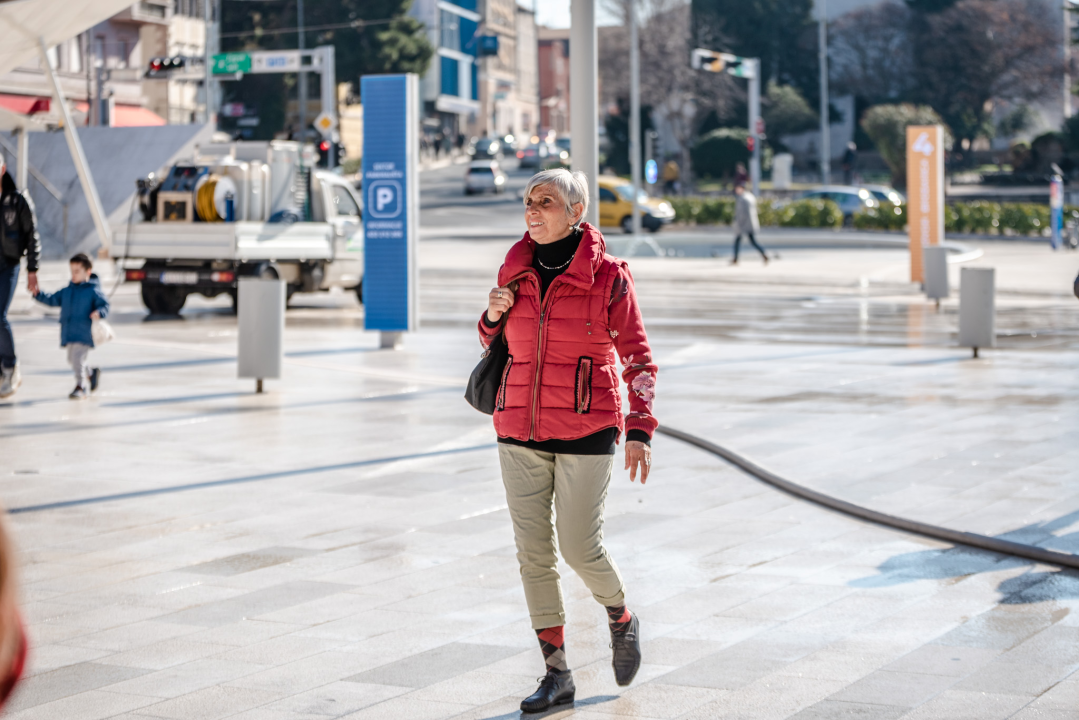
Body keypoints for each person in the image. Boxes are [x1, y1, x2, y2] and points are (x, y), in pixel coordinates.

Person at [480, 169, 657, 713]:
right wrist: (490, 316)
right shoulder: (515, 267)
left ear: (576, 211)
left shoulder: (609, 277)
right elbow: (494, 340)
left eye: (546, 202)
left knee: (580, 546)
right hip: (518, 428)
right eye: (528, 201)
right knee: (533, 556)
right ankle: (556, 675)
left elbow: (638, 357)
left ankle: (619, 615)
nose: (533, 210)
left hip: (587, 425)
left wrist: (640, 428)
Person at [33, 253, 110, 400]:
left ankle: (81, 387)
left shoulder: (93, 291)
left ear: (88, 272)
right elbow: (52, 299)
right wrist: (38, 294)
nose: (73, 275)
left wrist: (99, 312)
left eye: (77, 271)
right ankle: (91, 373)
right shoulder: (67, 291)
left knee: (77, 359)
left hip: (84, 332)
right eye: (71, 271)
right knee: (72, 360)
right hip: (69, 331)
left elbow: (104, 305)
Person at [0, 159, 40, 399]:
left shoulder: (17, 201)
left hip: (9, 265)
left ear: (2, 170)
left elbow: (31, 235)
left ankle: (10, 367)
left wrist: (33, 270)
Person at [731, 184, 768, 265]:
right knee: (750, 241)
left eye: (737, 188)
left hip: (744, 224)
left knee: (746, 241)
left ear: (742, 188)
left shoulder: (743, 198)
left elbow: (743, 213)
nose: (736, 190)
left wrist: (738, 223)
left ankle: (735, 259)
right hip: (749, 223)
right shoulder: (750, 197)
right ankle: (763, 254)